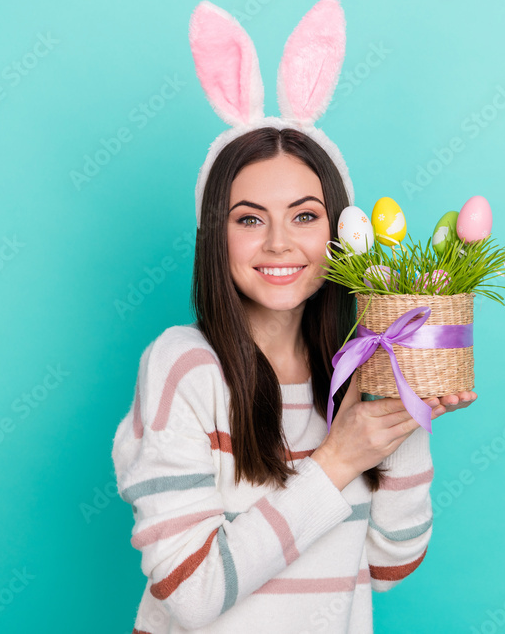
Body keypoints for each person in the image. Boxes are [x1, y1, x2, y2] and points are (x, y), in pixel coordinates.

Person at [111, 124, 477, 633]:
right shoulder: (185, 365)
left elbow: (390, 565)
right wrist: (339, 459)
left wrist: (406, 413)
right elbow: (190, 595)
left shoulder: (354, 363)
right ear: (216, 234)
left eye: (304, 216)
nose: (279, 243)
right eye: (250, 219)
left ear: (341, 237)